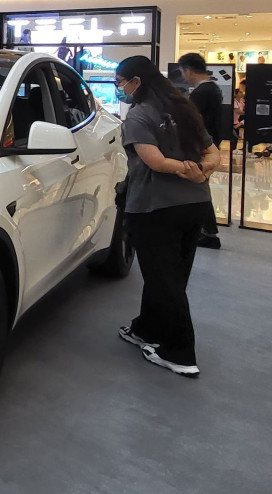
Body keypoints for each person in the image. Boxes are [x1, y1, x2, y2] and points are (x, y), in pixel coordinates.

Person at [114, 55, 221, 378]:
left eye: (121, 83)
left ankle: (179, 352)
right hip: (194, 204)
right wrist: (202, 170)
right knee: (168, 276)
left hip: (155, 206)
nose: (120, 89)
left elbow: (155, 161)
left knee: (164, 280)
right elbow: (213, 150)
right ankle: (147, 328)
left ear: (136, 82)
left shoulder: (139, 115)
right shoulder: (184, 109)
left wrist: (188, 169)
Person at [179, 53, 224, 249]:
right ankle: (207, 231)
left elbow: (192, 122)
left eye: (183, 71)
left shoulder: (201, 92)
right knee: (200, 187)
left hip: (200, 147)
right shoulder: (212, 88)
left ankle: (209, 232)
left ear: (189, 70)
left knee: (199, 187)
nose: (183, 76)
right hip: (208, 145)